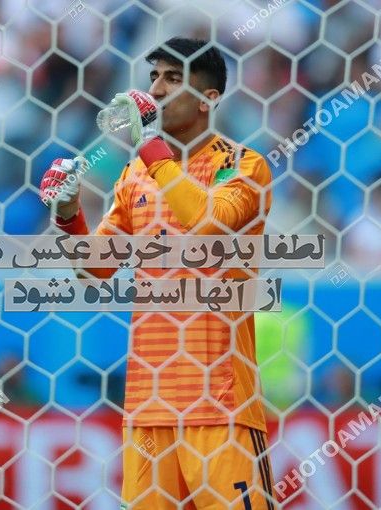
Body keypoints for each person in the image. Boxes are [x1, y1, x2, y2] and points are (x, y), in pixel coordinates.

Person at [39, 37, 275, 509]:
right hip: (149, 409)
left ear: (208, 98)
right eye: (153, 77)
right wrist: (69, 215)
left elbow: (207, 224)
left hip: (221, 406)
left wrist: (151, 148)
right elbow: (96, 270)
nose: (156, 90)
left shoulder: (242, 165)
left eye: (173, 78)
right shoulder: (135, 176)